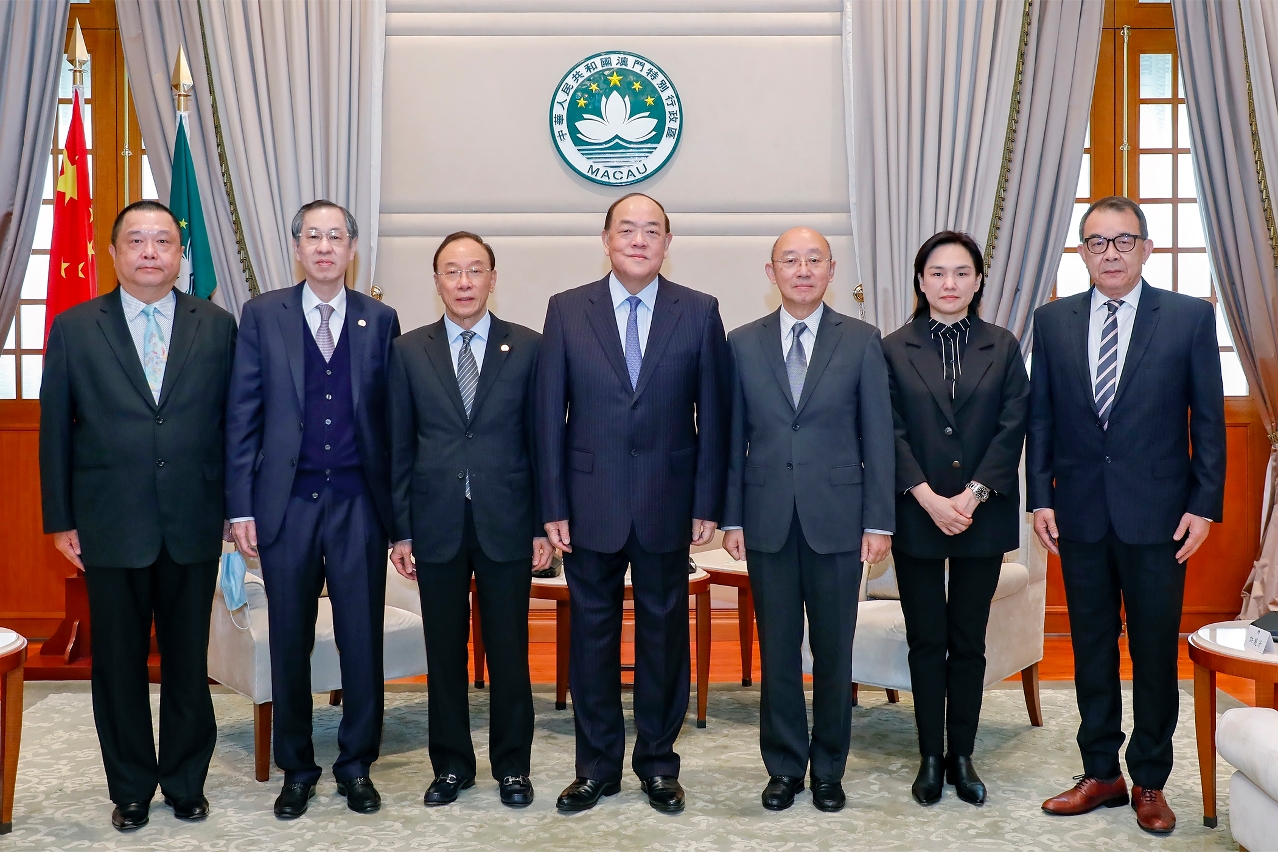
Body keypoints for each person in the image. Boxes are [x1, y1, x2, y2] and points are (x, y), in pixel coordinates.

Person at [1029, 196, 1226, 835]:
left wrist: (1204, 504)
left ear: (1145, 248)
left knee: (1152, 650)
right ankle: (1101, 773)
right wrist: (1040, 497)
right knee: (1090, 647)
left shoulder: (1189, 317)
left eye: (1122, 241)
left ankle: (1149, 780)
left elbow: (1209, 419)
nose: (1110, 253)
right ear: (1082, 252)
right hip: (1079, 513)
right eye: (1097, 242)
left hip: (1160, 516)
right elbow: (1041, 418)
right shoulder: (1052, 321)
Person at [39, 200, 237, 832]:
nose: (150, 252)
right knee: (118, 664)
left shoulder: (217, 325)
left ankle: (184, 782)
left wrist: (236, 509)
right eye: (137, 241)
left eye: (163, 242)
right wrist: (59, 518)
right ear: (114, 252)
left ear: (180, 254)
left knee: (187, 663)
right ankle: (129, 788)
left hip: (193, 518)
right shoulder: (75, 327)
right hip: (109, 521)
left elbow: (235, 426)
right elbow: (55, 430)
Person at [535, 193, 729, 814]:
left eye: (651, 231)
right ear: (606, 239)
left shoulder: (699, 311)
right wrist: (552, 503)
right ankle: (595, 767)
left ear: (668, 242)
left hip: (669, 502)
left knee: (664, 639)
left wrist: (707, 501)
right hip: (588, 503)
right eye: (627, 230)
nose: (639, 240)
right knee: (591, 639)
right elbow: (548, 417)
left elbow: (714, 417)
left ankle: (658, 764)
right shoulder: (567, 309)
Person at [225, 200, 401, 818]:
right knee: (289, 638)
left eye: (335, 237)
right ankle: (296, 768)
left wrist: (398, 519)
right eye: (313, 236)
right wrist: (240, 507)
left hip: (359, 504)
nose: (325, 247)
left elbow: (392, 422)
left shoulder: (380, 320)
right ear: (297, 247)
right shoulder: (262, 315)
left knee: (361, 639)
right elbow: (242, 416)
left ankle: (356, 765)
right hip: (287, 504)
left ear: (352, 249)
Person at [721, 227, 894, 812]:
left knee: (833, 650)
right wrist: (731, 518)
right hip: (766, 517)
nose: (802, 270)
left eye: (813, 260)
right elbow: (732, 438)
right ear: (771, 272)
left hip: (839, 520)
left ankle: (829, 769)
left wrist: (879, 522)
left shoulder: (862, 340)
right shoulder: (742, 342)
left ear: (830, 270)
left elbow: (878, 437)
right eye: (790, 260)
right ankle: (784, 767)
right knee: (778, 651)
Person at [388, 232, 552, 808]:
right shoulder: (408, 350)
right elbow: (398, 445)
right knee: (444, 651)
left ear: (492, 279)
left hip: (508, 520)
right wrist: (400, 529)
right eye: (452, 271)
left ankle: (513, 767)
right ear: (437, 281)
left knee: (508, 651)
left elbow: (543, 442)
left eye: (475, 270)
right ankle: (451, 766)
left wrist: (543, 525)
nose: (463, 282)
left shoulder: (528, 347)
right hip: (434, 523)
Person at [880, 231, 1029, 807]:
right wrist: (927, 497)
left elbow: (1012, 425)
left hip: (981, 515)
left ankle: (961, 754)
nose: (949, 283)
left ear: (978, 281)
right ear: (921, 281)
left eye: (962, 272)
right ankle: (929, 756)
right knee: (925, 639)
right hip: (916, 512)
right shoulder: (892, 347)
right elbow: (888, 431)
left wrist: (972, 495)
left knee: (969, 640)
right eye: (938, 273)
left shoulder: (1003, 345)